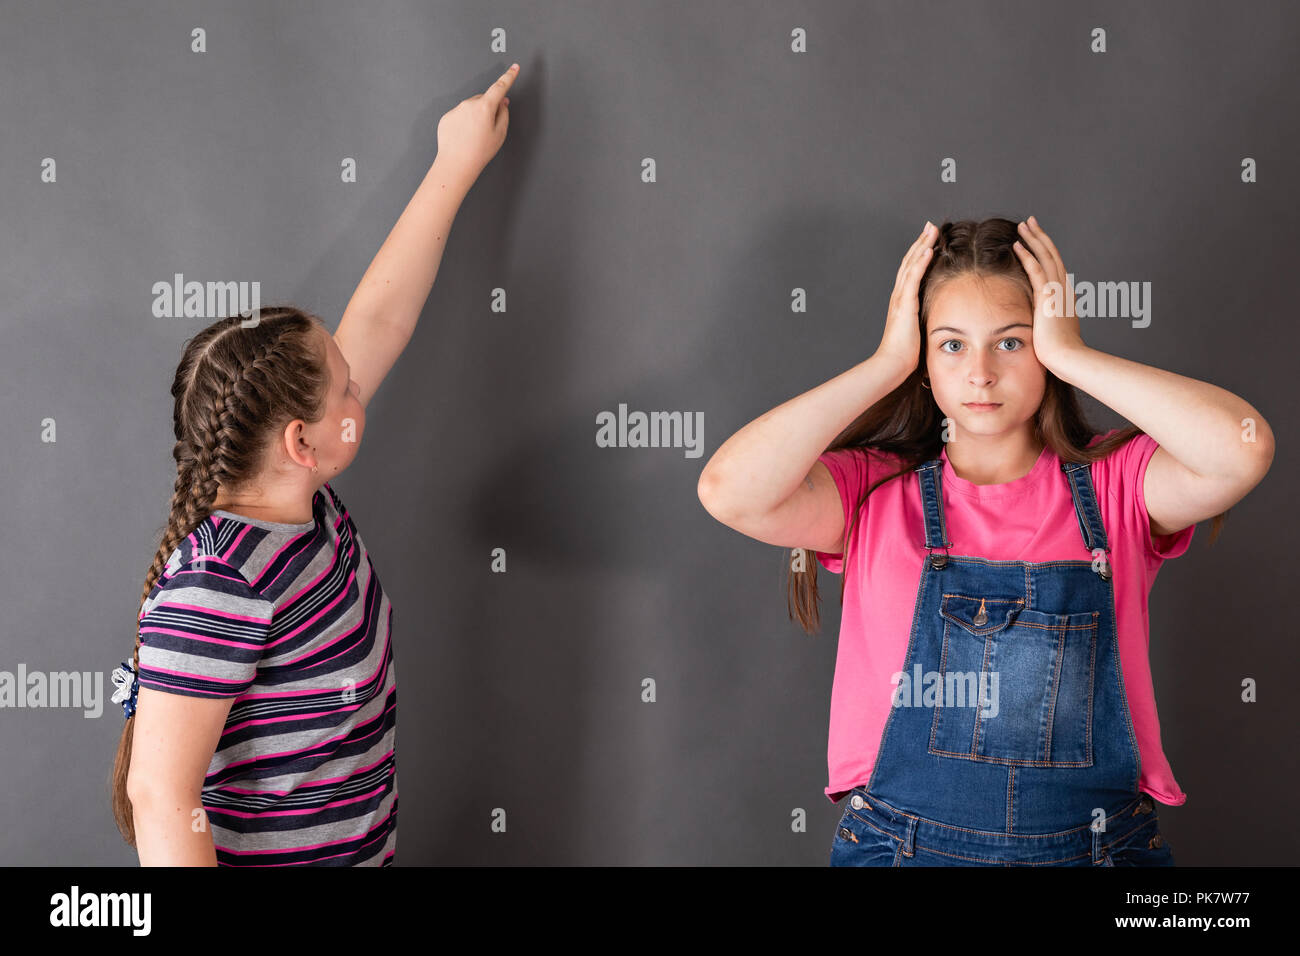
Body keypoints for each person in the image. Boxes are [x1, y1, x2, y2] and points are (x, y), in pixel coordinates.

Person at [697, 216, 1275, 866]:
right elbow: (727, 489)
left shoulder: (1117, 487)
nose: (979, 373)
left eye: (1010, 343)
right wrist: (885, 364)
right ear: (921, 355)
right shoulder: (875, 493)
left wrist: (1075, 357)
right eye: (950, 345)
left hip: (1096, 852)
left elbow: (1242, 450)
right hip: (902, 850)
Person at [108, 64, 520, 866]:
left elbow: (381, 315)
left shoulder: (302, 503)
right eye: (348, 385)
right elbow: (160, 795)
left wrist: (454, 161)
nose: (360, 380)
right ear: (304, 440)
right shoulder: (220, 585)